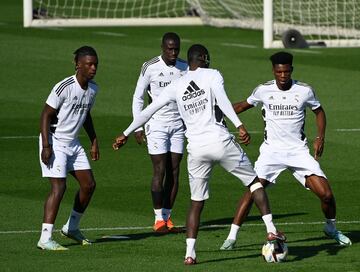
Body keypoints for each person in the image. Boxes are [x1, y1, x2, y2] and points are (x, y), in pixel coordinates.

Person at [113, 44, 285, 265]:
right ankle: (271, 230)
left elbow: (149, 109)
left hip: (196, 149)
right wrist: (239, 124)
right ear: (203, 58)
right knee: (254, 184)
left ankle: (190, 254)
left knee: (196, 202)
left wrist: (126, 133)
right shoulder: (213, 75)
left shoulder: (176, 85)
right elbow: (222, 99)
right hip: (220, 141)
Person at [220, 51, 352, 250]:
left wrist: (320, 137)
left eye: (287, 72)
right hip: (271, 152)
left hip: (298, 152)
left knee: (326, 194)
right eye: (279, 72)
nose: (283, 76)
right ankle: (231, 237)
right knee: (252, 191)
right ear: (274, 71)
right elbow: (242, 106)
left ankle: (331, 228)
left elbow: (319, 111)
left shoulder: (305, 90)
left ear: (292, 70)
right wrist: (216, 111)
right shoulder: (263, 90)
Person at [37, 46, 99, 250]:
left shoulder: (93, 89)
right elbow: (45, 114)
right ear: (78, 65)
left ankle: (71, 228)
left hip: (73, 143)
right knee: (59, 187)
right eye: (89, 64)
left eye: (95, 64)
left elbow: (86, 114)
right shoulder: (64, 87)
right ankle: (45, 239)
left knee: (89, 184)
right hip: (55, 141)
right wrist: (46, 145)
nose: (93, 68)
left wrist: (94, 139)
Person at [131, 32, 188, 232]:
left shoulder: (185, 67)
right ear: (162, 48)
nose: (173, 53)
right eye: (169, 49)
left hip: (179, 125)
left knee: (175, 170)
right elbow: (138, 97)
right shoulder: (150, 67)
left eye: (176, 49)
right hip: (156, 125)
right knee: (160, 169)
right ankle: (158, 220)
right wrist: (138, 126)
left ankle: (167, 217)